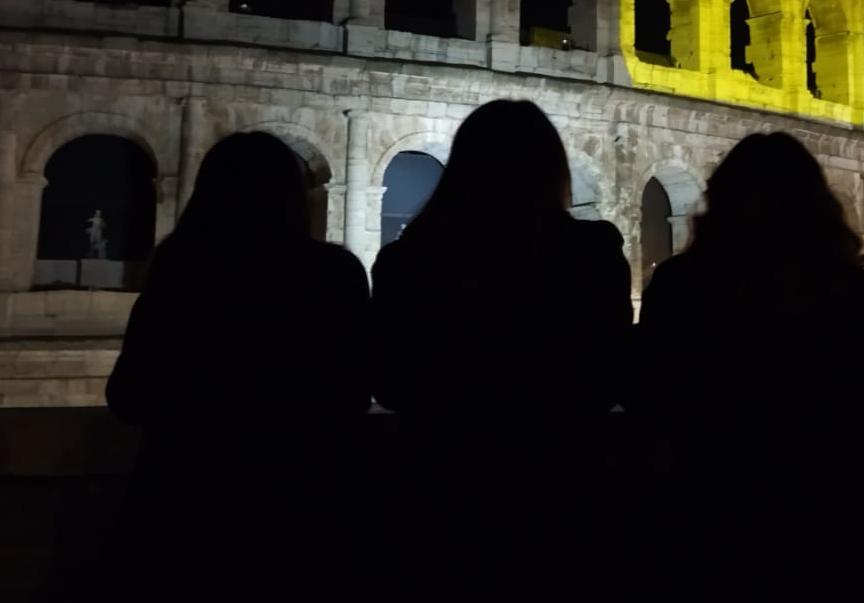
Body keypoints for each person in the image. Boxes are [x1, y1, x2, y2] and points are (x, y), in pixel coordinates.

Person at [631, 132, 864, 592]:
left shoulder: (678, 290)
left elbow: (650, 401)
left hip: (707, 523)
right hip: (835, 532)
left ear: (718, 206)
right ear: (821, 208)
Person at [367, 100, 632, 592]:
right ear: (553, 170)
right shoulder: (592, 252)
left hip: (441, 490)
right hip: (562, 490)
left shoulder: (409, 261)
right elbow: (612, 376)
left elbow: (389, 382)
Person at [103, 132, 373, 602]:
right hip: (302, 510)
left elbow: (128, 395)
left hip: (185, 512)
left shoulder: (180, 273)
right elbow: (354, 394)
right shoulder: (335, 274)